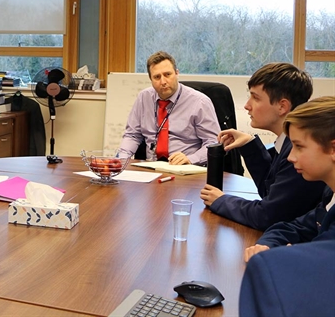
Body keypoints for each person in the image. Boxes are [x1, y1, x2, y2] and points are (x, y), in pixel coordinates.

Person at [239, 97, 335, 316]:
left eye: (299, 147)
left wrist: (294, 258)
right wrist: (267, 245)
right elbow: (293, 227)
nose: (291, 157)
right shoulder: (330, 194)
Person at [200, 63, 325, 231]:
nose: (247, 105)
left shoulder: (298, 153)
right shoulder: (287, 143)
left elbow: (267, 215)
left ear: (282, 106)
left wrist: (221, 200)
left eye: (256, 98)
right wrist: (249, 145)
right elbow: (269, 191)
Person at [117, 51, 220, 165]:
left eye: (167, 74)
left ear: (176, 73)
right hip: (151, 167)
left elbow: (213, 143)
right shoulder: (144, 97)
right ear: (151, 79)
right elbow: (132, 135)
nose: (163, 82)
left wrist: (191, 159)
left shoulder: (200, 102)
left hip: (186, 169)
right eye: (157, 77)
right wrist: (121, 161)